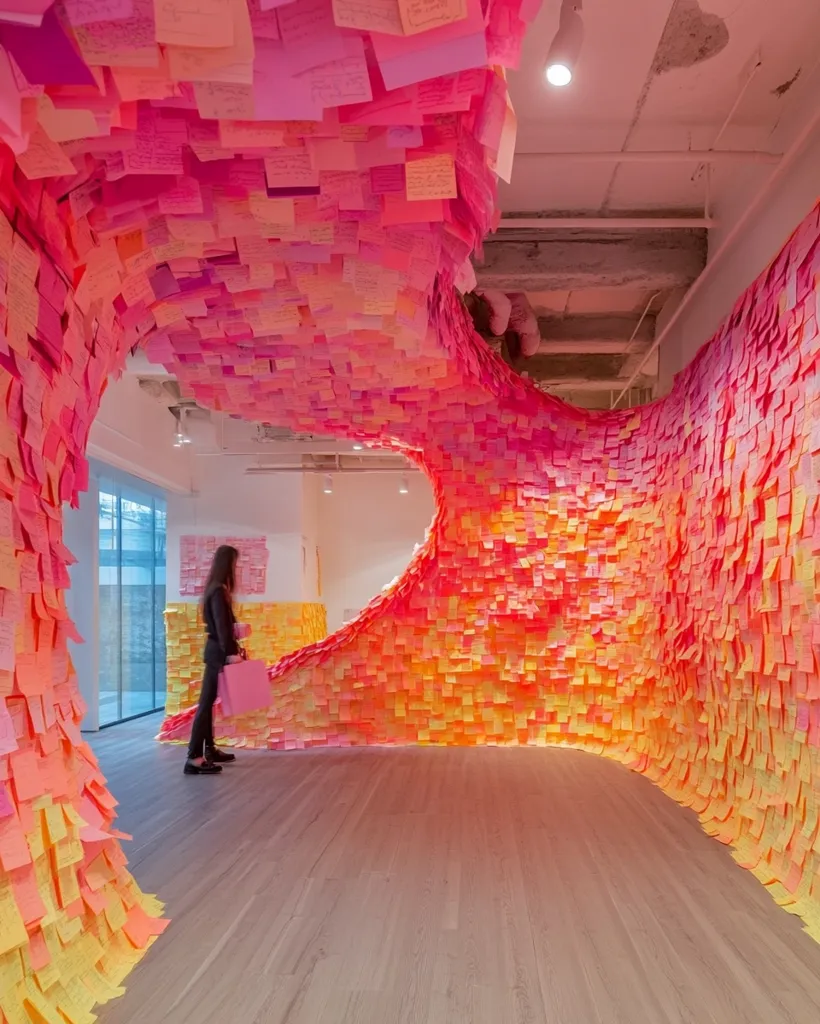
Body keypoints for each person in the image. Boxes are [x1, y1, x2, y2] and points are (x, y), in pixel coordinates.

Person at [184, 545, 241, 775]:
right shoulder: (218, 591)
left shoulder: (215, 588)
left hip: (216, 652)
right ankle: (194, 757)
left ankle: (208, 750)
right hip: (217, 653)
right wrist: (231, 651)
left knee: (208, 704)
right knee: (205, 705)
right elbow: (221, 626)